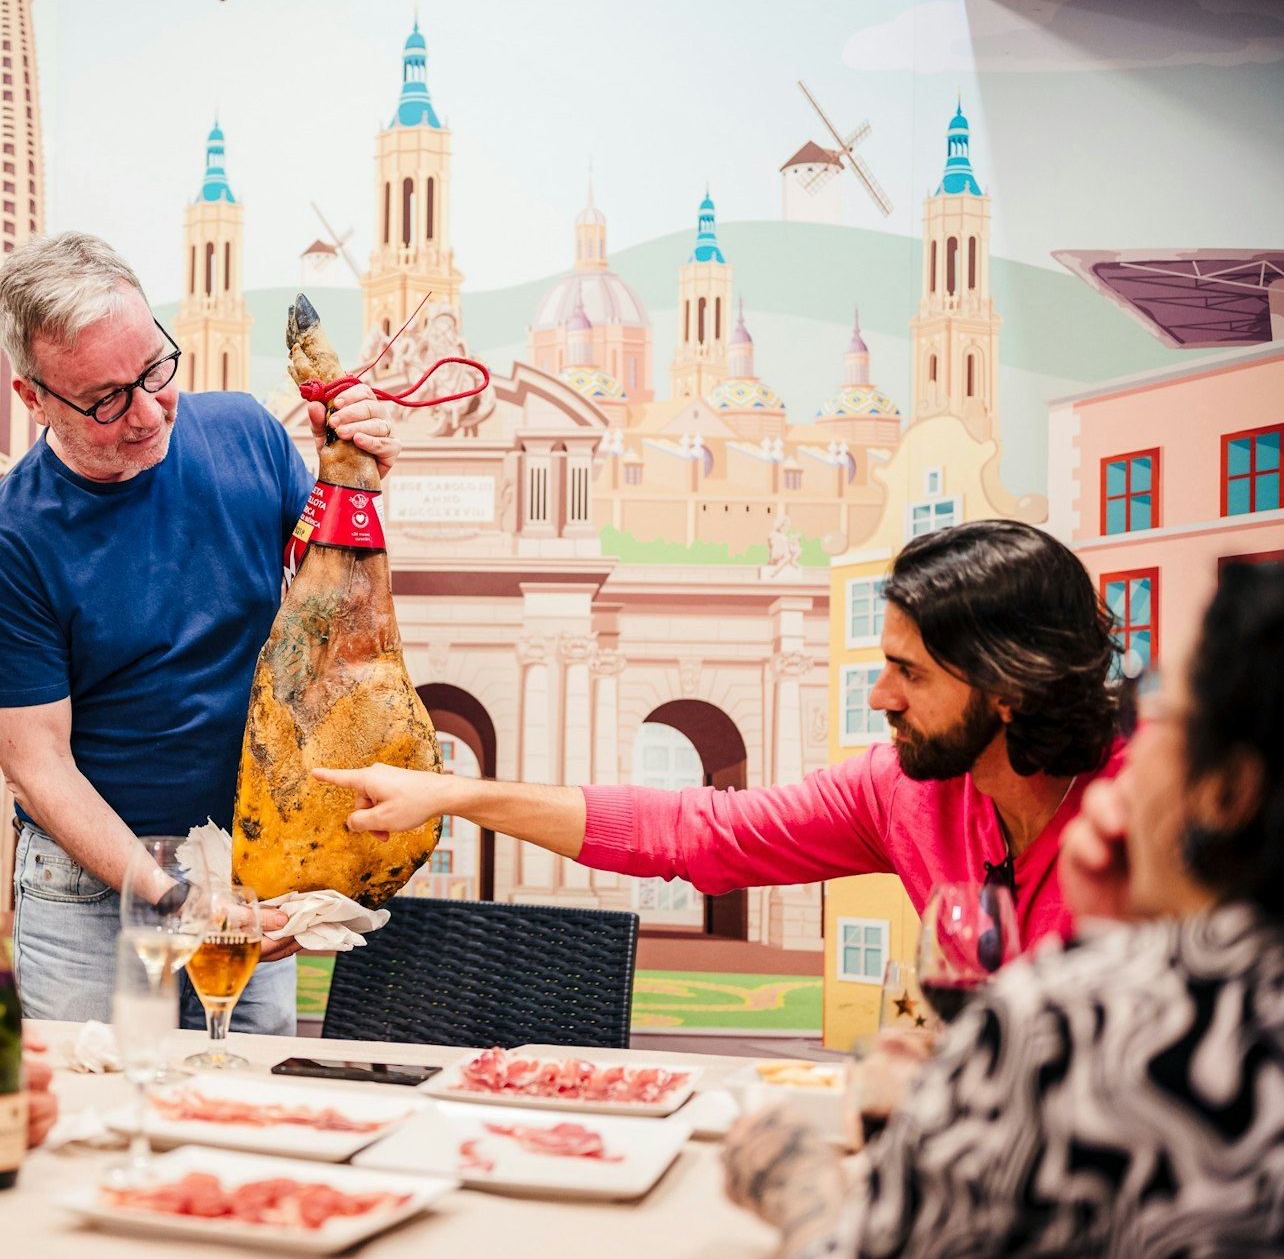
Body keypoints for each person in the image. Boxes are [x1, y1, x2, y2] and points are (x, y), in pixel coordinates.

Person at [722, 563, 1284, 1257]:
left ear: (1230, 790)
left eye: (1164, 704)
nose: (1137, 737)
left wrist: (797, 1182)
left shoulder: (1069, 1026)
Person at [315, 519, 1125, 949]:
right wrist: (455, 793)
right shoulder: (901, 790)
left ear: (1011, 687)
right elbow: (694, 831)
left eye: (909, 674)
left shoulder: (1156, 810)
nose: (880, 696)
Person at [0, 231, 400, 1033]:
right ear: (33, 396)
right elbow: (38, 767)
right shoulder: (14, 537)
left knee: (245, 1110)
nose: (148, 413)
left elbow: (340, 611)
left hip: (244, 867)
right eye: (107, 399)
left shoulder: (247, 433)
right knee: (99, 1117)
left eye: (155, 370)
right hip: (89, 894)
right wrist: (181, 897)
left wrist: (357, 474)